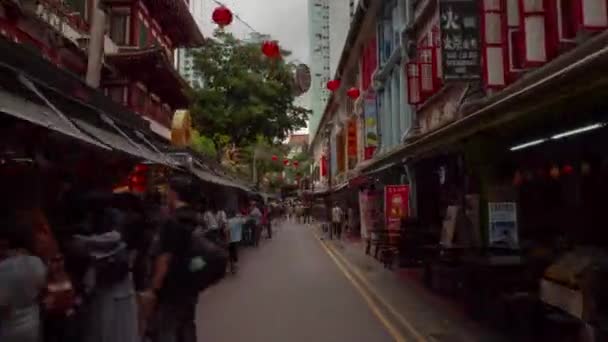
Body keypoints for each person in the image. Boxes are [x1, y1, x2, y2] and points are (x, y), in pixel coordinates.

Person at [143, 175, 201, 342]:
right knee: (187, 325)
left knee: (167, 330)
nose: (166, 195)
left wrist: (153, 289)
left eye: (168, 191)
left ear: (175, 194)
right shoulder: (195, 218)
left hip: (170, 290)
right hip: (190, 286)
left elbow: (164, 259)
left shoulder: (171, 221)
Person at [0, 216, 47, 342]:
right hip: (33, 325)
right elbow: (41, 290)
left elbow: (3, 306)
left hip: (9, 329)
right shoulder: (37, 263)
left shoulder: (3, 268)